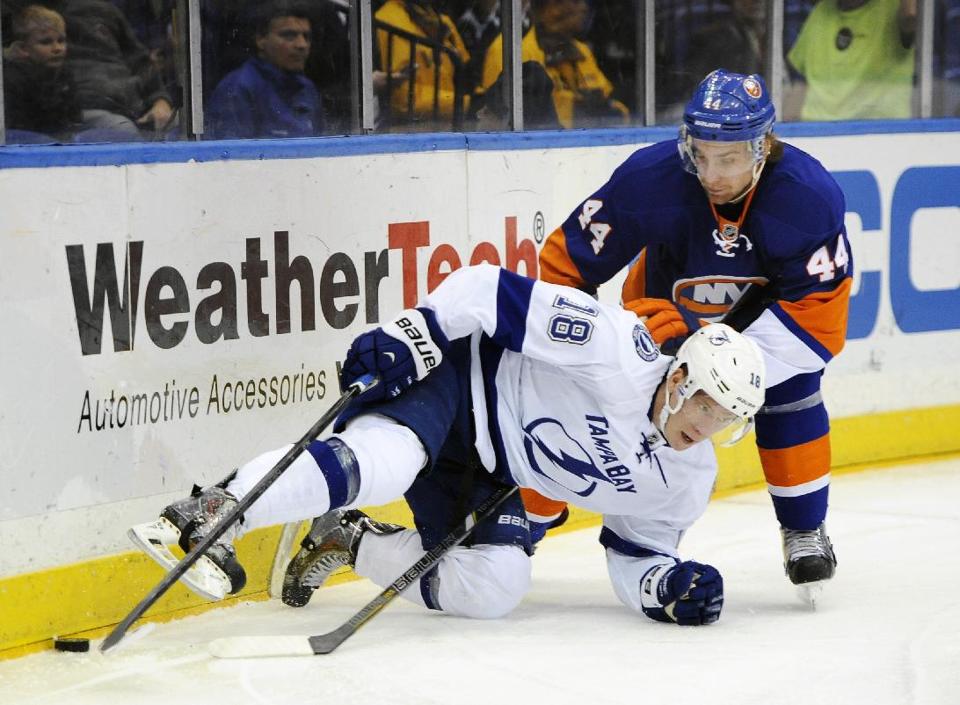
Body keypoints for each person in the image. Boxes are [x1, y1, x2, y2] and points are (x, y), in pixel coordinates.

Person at [130, 263, 766, 626]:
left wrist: (665, 586)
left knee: (495, 588)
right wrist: (415, 332)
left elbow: (638, 551)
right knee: (389, 462)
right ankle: (214, 512)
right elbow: (489, 291)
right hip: (458, 384)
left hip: (487, 467)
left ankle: (345, 540)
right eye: (706, 404)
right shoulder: (615, 350)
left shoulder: (686, 480)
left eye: (727, 418)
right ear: (680, 379)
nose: (708, 426)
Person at [536, 69, 851, 592]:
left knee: (791, 391)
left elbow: (820, 312)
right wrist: (573, 345)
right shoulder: (649, 179)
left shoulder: (807, 197)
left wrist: (721, 354)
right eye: (700, 155)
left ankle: (803, 527)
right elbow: (565, 264)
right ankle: (526, 516)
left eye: (728, 159)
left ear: (762, 147)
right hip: (662, 318)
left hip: (764, 326)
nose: (711, 174)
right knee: (603, 404)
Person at [478, 0, 628, 129]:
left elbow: (615, 108)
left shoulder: (581, 51)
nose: (583, 7)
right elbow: (495, 118)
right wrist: (575, 107)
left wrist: (602, 108)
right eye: (575, 1)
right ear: (550, 6)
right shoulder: (510, 49)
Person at [206, 0, 326, 139]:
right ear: (261, 40)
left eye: (307, 37)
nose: (302, 44)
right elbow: (230, 151)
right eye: (289, 35)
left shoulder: (307, 89)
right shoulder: (237, 89)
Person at [59, 0, 174, 139]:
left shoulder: (105, 11)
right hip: (89, 110)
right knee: (123, 132)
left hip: (130, 104)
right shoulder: (47, 16)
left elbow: (139, 61)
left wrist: (160, 100)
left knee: (179, 125)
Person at [785, 0, 917, 121]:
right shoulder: (823, 10)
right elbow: (801, 83)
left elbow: (911, 16)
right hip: (815, 129)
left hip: (876, 131)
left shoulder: (894, 8)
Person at [374, 0, 471, 129]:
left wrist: (478, 100)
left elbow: (468, 74)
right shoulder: (388, 18)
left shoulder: (442, 20)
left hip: (450, 125)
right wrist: (466, 104)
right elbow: (403, 100)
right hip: (411, 131)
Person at [2, 4, 82, 142]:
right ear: (22, 48)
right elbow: (15, 129)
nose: (57, 48)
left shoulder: (65, 74)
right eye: (46, 42)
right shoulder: (11, 79)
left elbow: (74, 120)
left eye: (61, 41)